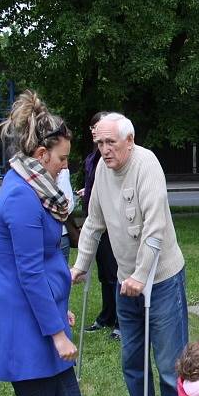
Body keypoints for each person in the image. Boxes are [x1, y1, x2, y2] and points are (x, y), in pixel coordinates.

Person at [0, 90, 130, 396]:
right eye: (62, 159)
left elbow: (43, 261)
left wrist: (60, 311)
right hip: (23, 326)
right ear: (41, 154)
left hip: (41, 318)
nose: (67, 166)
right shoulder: (21, 198)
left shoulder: (35, 186)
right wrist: (57, 333)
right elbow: (28, 275)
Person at [71, 112, 189, 396]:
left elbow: (154, 229)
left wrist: (141, 275)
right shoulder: (101, 173)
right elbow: (92, 224)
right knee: (132, 360)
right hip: (127, 284)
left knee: (170, 364)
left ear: (129, 140)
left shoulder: (147, 165)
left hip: (162, 277)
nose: (104, 150)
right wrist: (80, 265)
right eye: (99, 143)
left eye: (110, 143)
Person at [77, 111, 120, 340]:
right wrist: (88, 192)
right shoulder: (94, 157)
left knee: (115, 273)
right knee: (105, 273)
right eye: (92, 127)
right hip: (95, 221)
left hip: (110, 223)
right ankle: (106, 316)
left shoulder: (111, 157)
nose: (94, 130)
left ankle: (121, 322)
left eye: (98, 126)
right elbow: (95, 184)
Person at [56, 167, 75, 262]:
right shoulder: (62, 172)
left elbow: (66, 206)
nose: (64, 163)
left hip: (60, 234)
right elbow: (68, 206)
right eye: (62, 158)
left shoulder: (61, 172)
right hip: (59, 233)